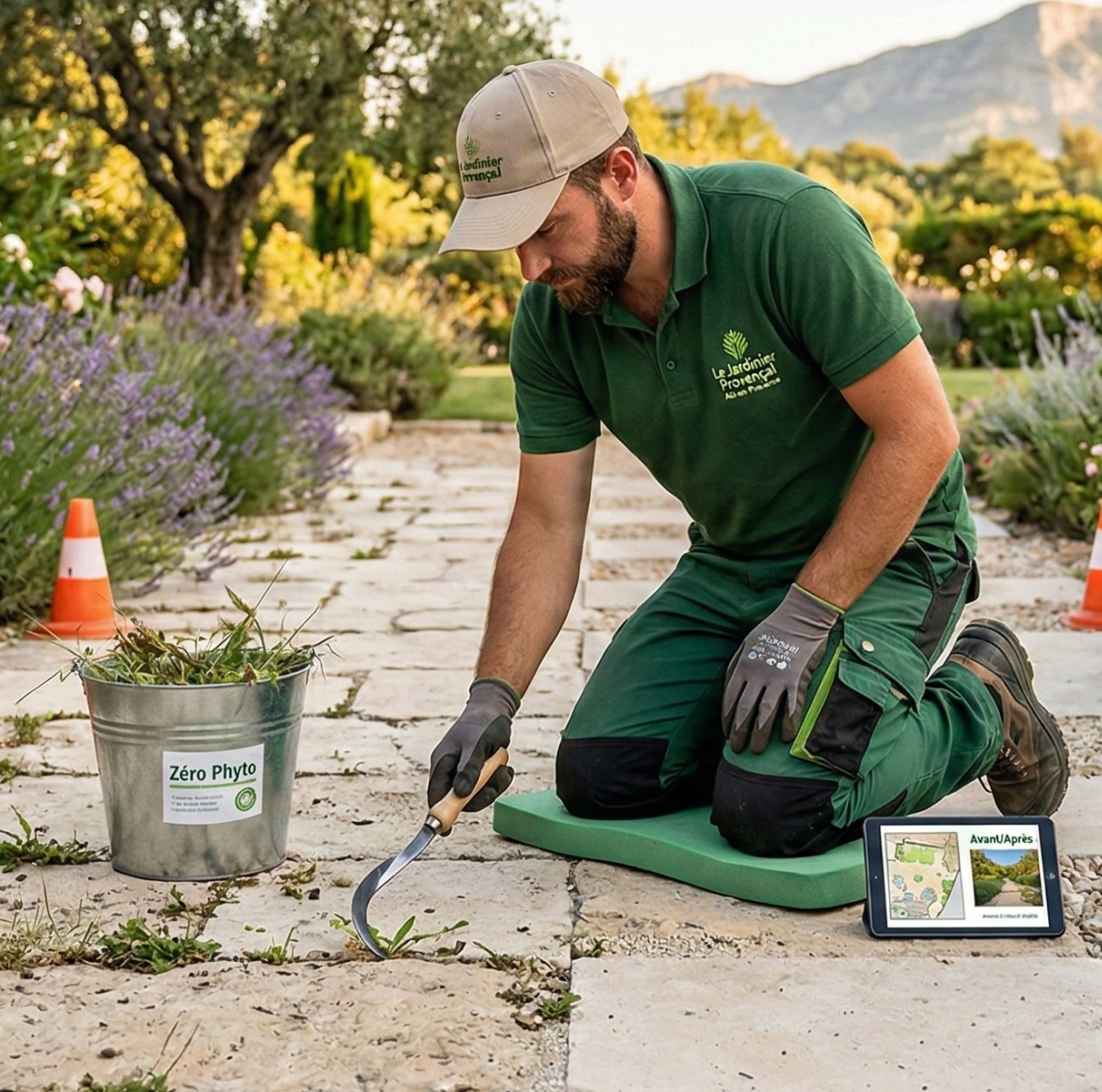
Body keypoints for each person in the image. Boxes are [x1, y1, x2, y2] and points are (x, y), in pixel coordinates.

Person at [421, 60, 1067, 858]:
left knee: (779, 809)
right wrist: (494, 695)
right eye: (510, 241)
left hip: (895, 555)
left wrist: (805, 615)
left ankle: (984, 698)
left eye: (547, 228)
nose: (530, 267)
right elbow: (548, 520)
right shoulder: (553, 317)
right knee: (602, 776)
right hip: (732, 566)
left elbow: (923, 435)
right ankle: (770, 740)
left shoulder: (787, 227)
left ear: (620, 174)